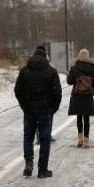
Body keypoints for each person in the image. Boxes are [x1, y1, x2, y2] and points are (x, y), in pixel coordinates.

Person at [15, 45, 61, 178]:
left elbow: (18, 91)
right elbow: (57, 93)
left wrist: (24, 105)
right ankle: (42, 169)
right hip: (45, 110)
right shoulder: (51, 72)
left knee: (28, 136)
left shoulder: (24, 71)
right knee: (45, 139)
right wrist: (53, 108)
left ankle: (29, 162)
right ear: (45, 56)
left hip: (29, 110)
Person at [66, 48, 94, 148]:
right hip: (87, 96)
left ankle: (80, 139)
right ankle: (86, 140)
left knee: (79, 117)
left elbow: (70, 81)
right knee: (86, 118)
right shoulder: (92, 68)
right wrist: (91, 92)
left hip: (77, 95)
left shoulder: (74, 67)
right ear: (88, 56)